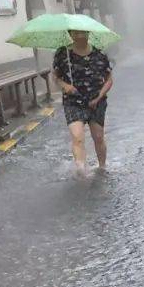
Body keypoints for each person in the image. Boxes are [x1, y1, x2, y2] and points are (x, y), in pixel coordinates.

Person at [52, 30, 114, 177]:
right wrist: (65, 86)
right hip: (73, 102)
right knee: (77, 137)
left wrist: (98, 97)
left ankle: (102, 166)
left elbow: (109, 79)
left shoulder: (100, 54)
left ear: (88, 33)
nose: (79, 36)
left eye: (83, 33)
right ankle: (81, 169)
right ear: (70, 34)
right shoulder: (63, 54)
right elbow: (55, 76)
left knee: (98, 137)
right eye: (75, 33)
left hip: (96, 102)